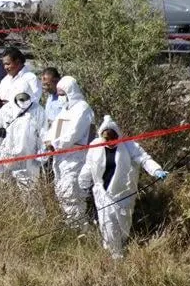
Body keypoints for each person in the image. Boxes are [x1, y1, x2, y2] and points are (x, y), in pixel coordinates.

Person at [79, 115, 168, 259]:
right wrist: (83, 182)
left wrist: (156, 170)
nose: (110, 143)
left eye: (113, 140)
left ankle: (120, 250)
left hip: (124, 195)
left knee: (123, 227)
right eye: (106, 140)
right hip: (103, 195)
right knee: (108, 227)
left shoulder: (129, 145)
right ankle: (115, 257)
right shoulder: (95, 146)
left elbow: (144, 158)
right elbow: (89, 165)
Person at [44, 75, 95, 225]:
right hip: (61, 158)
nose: (60, 98)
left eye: (62, 95)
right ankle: (73, 225)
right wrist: (48, 140)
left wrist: (56, 144)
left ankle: (80, 228)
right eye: (58, 95)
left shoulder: (82, 109)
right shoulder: (65, 110)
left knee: (72, 193)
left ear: (70, 92)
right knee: (62, 193)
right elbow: (55, 129)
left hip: (76, 157)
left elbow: (74, 133)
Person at [0, 80, 47, 189]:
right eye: (21, 98)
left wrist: (42, 155)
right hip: (5, 156)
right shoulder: (6, 110)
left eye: (26, 97)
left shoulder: (38, 110)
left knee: (29, 192)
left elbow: (43, 134)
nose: (23, 101)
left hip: (28, 158)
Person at [0, 46, 41, 111]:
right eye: (4, 64)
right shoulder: (6, 80)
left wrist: (13, 105)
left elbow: (34, 102)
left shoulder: (30, 78)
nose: (5, 67)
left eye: (8, 64)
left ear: (17, 62)